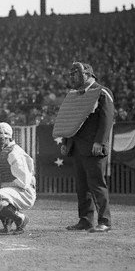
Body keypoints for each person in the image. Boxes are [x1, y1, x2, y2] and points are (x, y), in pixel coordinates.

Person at [57, 62, 114, 233]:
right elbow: (70, 120)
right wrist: (66, 143)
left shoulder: (102, 92)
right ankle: (85, 220)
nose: (72, 77)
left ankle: (105, 221)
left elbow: (107, 119)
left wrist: (100, 142)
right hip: (77, 147)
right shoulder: (75, 95)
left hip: (93, 146)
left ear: (88, 74)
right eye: (71, 74)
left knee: (96, 184)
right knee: (82, 186)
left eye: (76, 73)